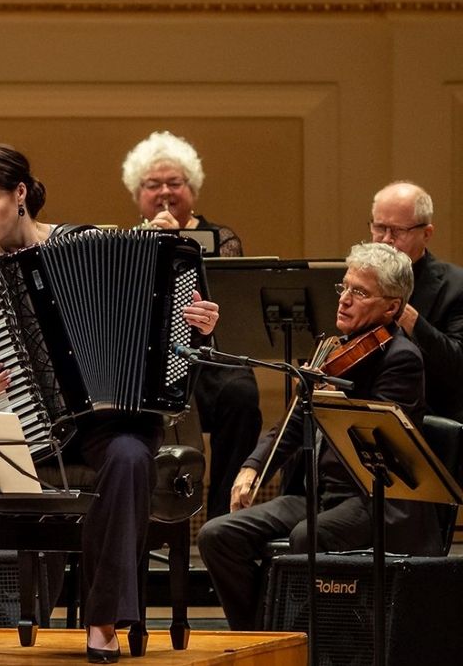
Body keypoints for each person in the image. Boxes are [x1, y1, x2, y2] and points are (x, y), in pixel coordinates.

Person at [0, 144, 220, 664]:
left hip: (110, 419)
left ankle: (104, 618)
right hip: (21, 427)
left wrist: (195, 323)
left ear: (20, 194)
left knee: (130, 459)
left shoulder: (92, 244)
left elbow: (171, 325)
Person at [197, 242, 441, 631]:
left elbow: (376, 434)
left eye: (359, 292)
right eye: (343, 288)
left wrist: (335, 399)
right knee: (218, 535)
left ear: (392, 307)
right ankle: (261, 634)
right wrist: (252, 467)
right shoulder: (332, 349)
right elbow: (293, 423)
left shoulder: (401, 358)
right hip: (321, 496)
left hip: (374, 500)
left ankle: (296, 635)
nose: (344, 300)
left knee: (307, 536)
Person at [122, 131, 262, 518]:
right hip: (152, 356)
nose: (164, 192)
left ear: (192, 190)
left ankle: (221, 520)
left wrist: (179, 245)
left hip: (210, 353)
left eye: (175, 183)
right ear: (138, 195)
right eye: (153, 185)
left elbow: (225, 304)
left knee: (241, 397)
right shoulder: (129, 241)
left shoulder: (221, 239)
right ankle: (147, 517)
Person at [368, 181, 463, 422]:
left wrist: (412, 321)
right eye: (379, 227)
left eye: (398, 231)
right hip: (366, 409)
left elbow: (458, 366)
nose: (386, 240)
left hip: (431, 420)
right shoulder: (358, 282)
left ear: (427, 233)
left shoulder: (456, 286)